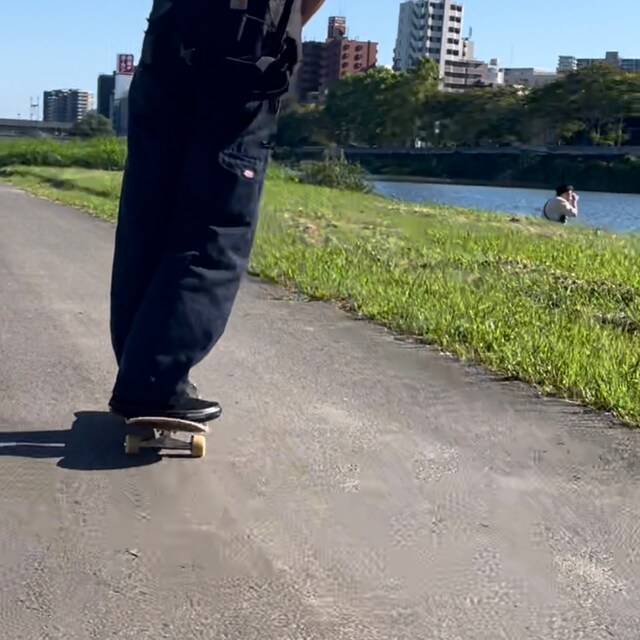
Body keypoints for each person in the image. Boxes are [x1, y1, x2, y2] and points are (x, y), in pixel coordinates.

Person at [108, 0, 326, 423]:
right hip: (243, 49)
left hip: (167, 41)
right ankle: (151, 383)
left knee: (148, 215)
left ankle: (140, 369)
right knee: (215, 227)